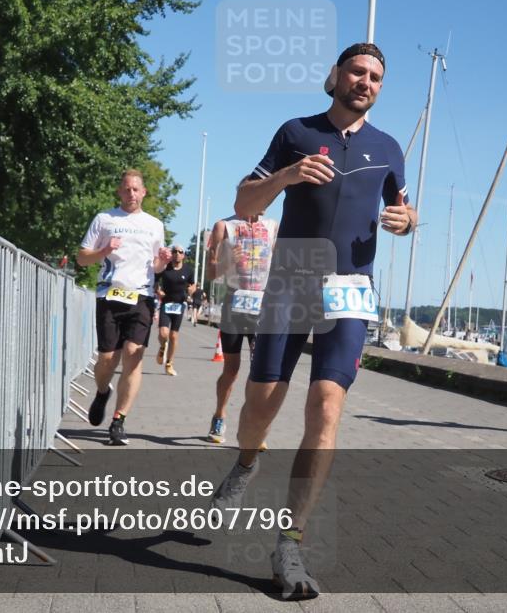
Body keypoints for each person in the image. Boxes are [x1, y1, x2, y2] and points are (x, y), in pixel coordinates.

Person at [209, 43, 416, 600]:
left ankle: (290, 541)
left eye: (376, 75)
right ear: (334, 76)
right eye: (356, 71)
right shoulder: (295, 132)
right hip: (293, 276)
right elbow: (244, 202)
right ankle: (247, 461)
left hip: (351, 288)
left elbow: (403, 207)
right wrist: (288, 176)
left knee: (326, 403)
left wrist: (406, 220)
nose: (365, 81)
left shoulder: (389, 147)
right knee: (260, 404)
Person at [77, 170, 171, 446]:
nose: (131, 194)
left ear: (144, 193)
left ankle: (119, 420)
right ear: (119, 192)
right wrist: (104, 250)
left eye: (136, 189)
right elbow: (82, 259)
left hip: (141, 296)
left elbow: (155, 266)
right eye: (126, 189)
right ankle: (103, 391)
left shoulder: (154, 224)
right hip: (109, 294)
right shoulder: (105, 219)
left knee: (134, 353)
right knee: (107, 359)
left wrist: (163, 262)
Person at [205, 210, 278, 444]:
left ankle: (251, 425)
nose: (264, 203)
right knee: (231, 370)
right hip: (234, 304)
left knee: (259, 370)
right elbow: (211, 273)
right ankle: (219, 416)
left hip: (262, 305)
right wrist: (228, 260)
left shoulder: (273, 226)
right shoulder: (223, 226)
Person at [154, 244, 194, 376]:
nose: (177, 253)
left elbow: (192, 284)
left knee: (174, 336)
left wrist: (191, 291)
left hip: (179, 305)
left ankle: (169, 363)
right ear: (171, 254)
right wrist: (158, 291)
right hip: (166, 304)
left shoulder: (188, 270)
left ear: (183, 255)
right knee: (163, 333)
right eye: (174, 251)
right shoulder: (165, 268)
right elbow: (155, 281)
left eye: (180, 251)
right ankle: (162, 347)